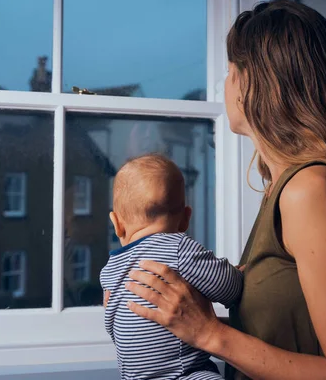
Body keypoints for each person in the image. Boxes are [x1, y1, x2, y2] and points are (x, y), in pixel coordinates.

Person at [124, 0, 326, 380]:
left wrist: (210, 334)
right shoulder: (283, 186)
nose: (223, 85)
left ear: (256, 84)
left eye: (229, 72)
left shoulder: (310, 190)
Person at [100, 154, 243, 379]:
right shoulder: (178, 249)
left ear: (117, 223)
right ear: (186, 218)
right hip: (184, 374)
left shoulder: (110, 271)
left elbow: (113, 327)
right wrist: (235, 273)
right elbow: (230, 288)